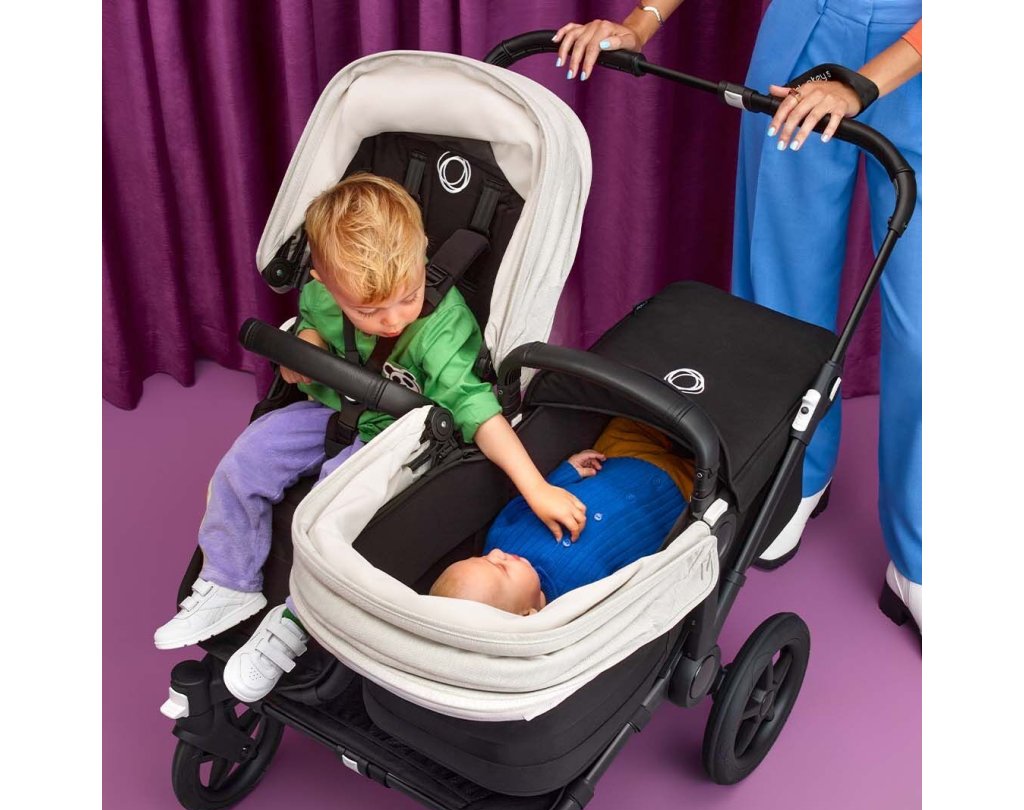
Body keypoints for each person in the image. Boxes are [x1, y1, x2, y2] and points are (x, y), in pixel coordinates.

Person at [553, 3, 923, 633]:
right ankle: (796, 475)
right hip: (809, 40)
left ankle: (922, 551)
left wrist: (863, 84)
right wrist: (641, 22)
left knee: (933, 325)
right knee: (782, 295)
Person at [154, 173, 589, 698]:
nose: (391, 321)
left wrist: (535, 487)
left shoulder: (438, 326)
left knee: (329, 514)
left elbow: (478, 411)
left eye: (406, 298)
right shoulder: (321, 295)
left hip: (395, 438)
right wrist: (305, 348)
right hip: (333, 408)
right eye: (367, 311)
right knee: (244, 460)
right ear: (323, 281)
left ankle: (295, 621)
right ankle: (229, 581)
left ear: (422, 255)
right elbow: (310, 335)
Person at [431, 417, 694, 612]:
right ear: (527, 614)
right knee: (708, 463)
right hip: (672, 498)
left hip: (616, 458)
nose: (497, 553)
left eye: (483, 557)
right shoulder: (576, 604)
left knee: (640, 411)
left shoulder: (501, 538)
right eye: (500, 568)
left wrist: (567, 473)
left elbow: (527, 503)